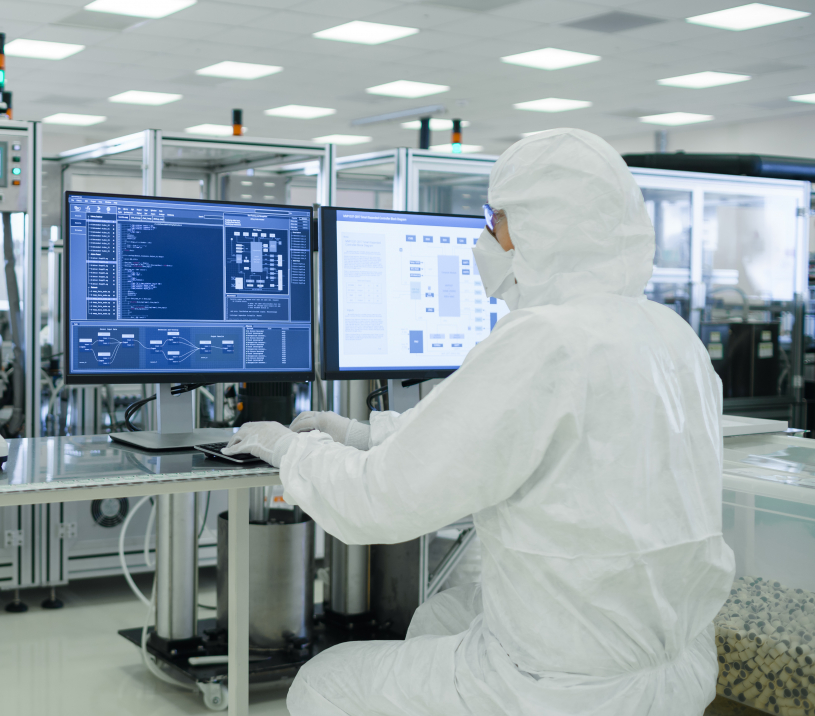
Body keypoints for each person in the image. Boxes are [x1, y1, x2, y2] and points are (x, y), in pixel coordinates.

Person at [225, 128, 734, 716]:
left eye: (496, 217)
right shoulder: (671, 335)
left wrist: (291, 451)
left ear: (541, 224)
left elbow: (378, 502)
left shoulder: (546, 338)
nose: (487, 234)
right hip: (677, 668)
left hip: (565, 688)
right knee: (441, 614)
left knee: (321, 682)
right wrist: (364, 435)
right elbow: (513, 448)